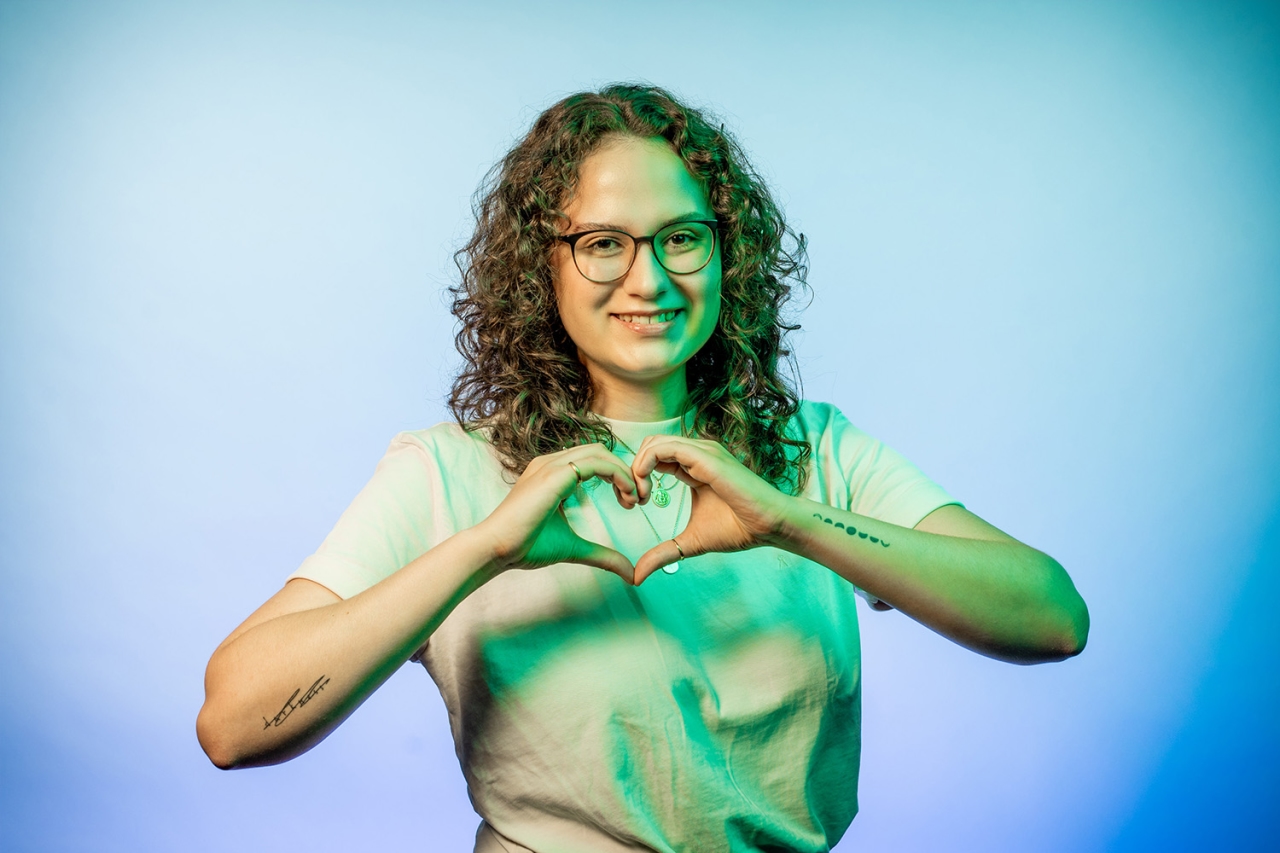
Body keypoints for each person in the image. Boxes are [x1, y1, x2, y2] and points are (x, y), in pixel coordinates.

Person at [197, 84, 1089, 853]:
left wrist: (792, 520)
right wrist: (487, 548)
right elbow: (235, 724)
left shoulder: (813, 451)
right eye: (603, 242)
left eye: (682, 237)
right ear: (540, 266)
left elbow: (1053, 618)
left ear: (725, 254)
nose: (649, 278)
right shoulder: (447, 470)